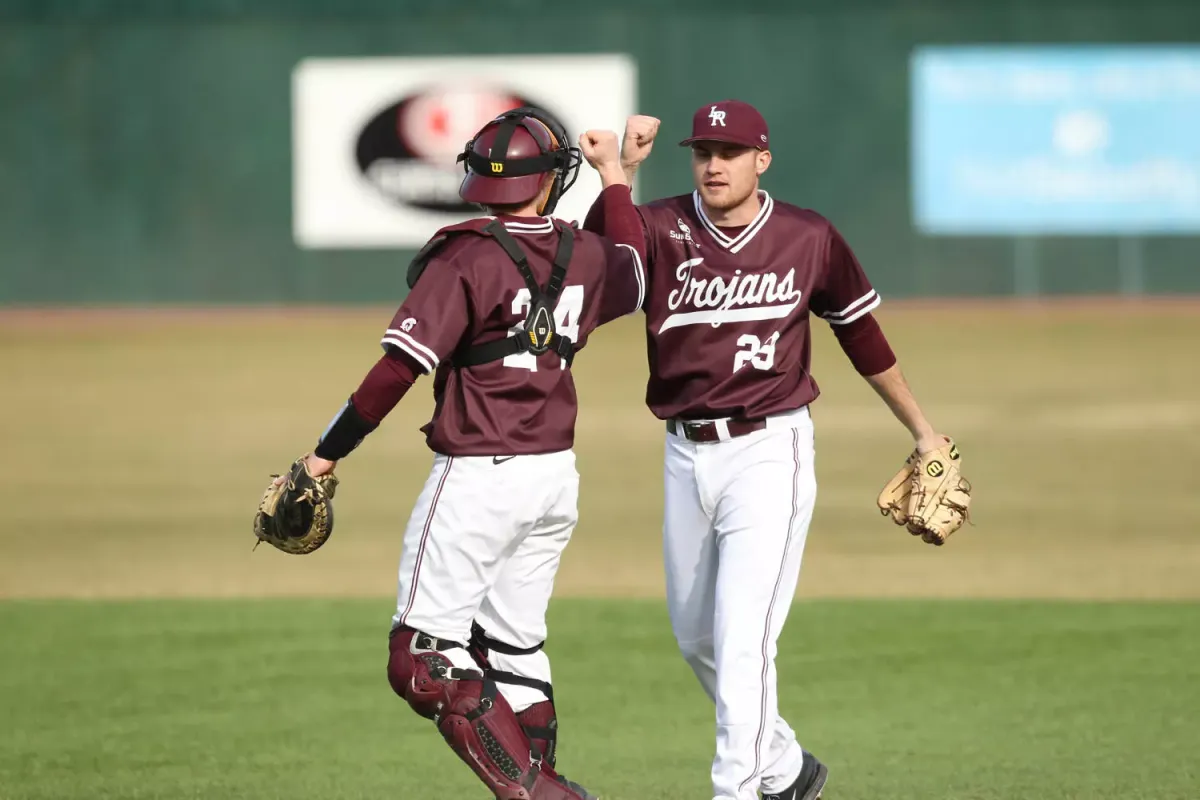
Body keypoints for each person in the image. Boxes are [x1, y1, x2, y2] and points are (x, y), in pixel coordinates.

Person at [584, 100, 951, 800]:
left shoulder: (807, 237)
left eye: (729, 151)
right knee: (699, 639)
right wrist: (621, 176)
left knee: (744, 636)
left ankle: (741, 790)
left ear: (763, 160)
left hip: (768, 450)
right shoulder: (660, 225)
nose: (713, 164)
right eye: (702, 152)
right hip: (684, 453)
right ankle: (786, 766)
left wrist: (922, 429)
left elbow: (859, 332)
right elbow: (602, 271)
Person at [290, 107, 646, 800]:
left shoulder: (467, 255)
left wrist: (324, 456)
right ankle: (544, 787)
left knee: (422, 656)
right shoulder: (587, 253)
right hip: (553, 482)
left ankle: (544, 797)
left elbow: (397, 370)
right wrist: (615, 176)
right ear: (547, 183)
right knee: (512, 650)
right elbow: (634, 267)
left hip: (480, 478)